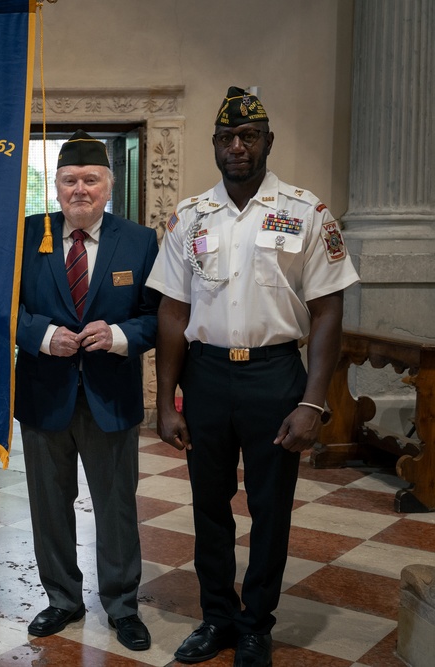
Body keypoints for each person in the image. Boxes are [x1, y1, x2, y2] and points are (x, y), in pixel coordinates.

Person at [146, 87, 359, 667]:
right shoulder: (190, 217)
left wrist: (313, 403)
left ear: (268, 142)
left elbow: (328, 310)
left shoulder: (305, 212)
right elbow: (171, 311)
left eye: (249, 137)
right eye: (227, 138)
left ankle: (254, 625)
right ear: (215, 145)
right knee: (208, 506)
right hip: (207, 377)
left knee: (270, 506)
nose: (237, 147)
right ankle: (217, 617)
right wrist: (166, 403)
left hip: (274, 377)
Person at [16, 130, 160, 650]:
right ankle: (61, 599)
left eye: (91, 180)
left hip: (111, 396)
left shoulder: (140, 242)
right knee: (48, 504)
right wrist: (42, 335)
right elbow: (2, 307)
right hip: (43, 395)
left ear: (109, 185)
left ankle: (122, 605)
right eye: (70, 179)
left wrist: (120, 336)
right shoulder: (26, 236)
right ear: (55, 186)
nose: (80, 189)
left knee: (117, 505)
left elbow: (157, 317)